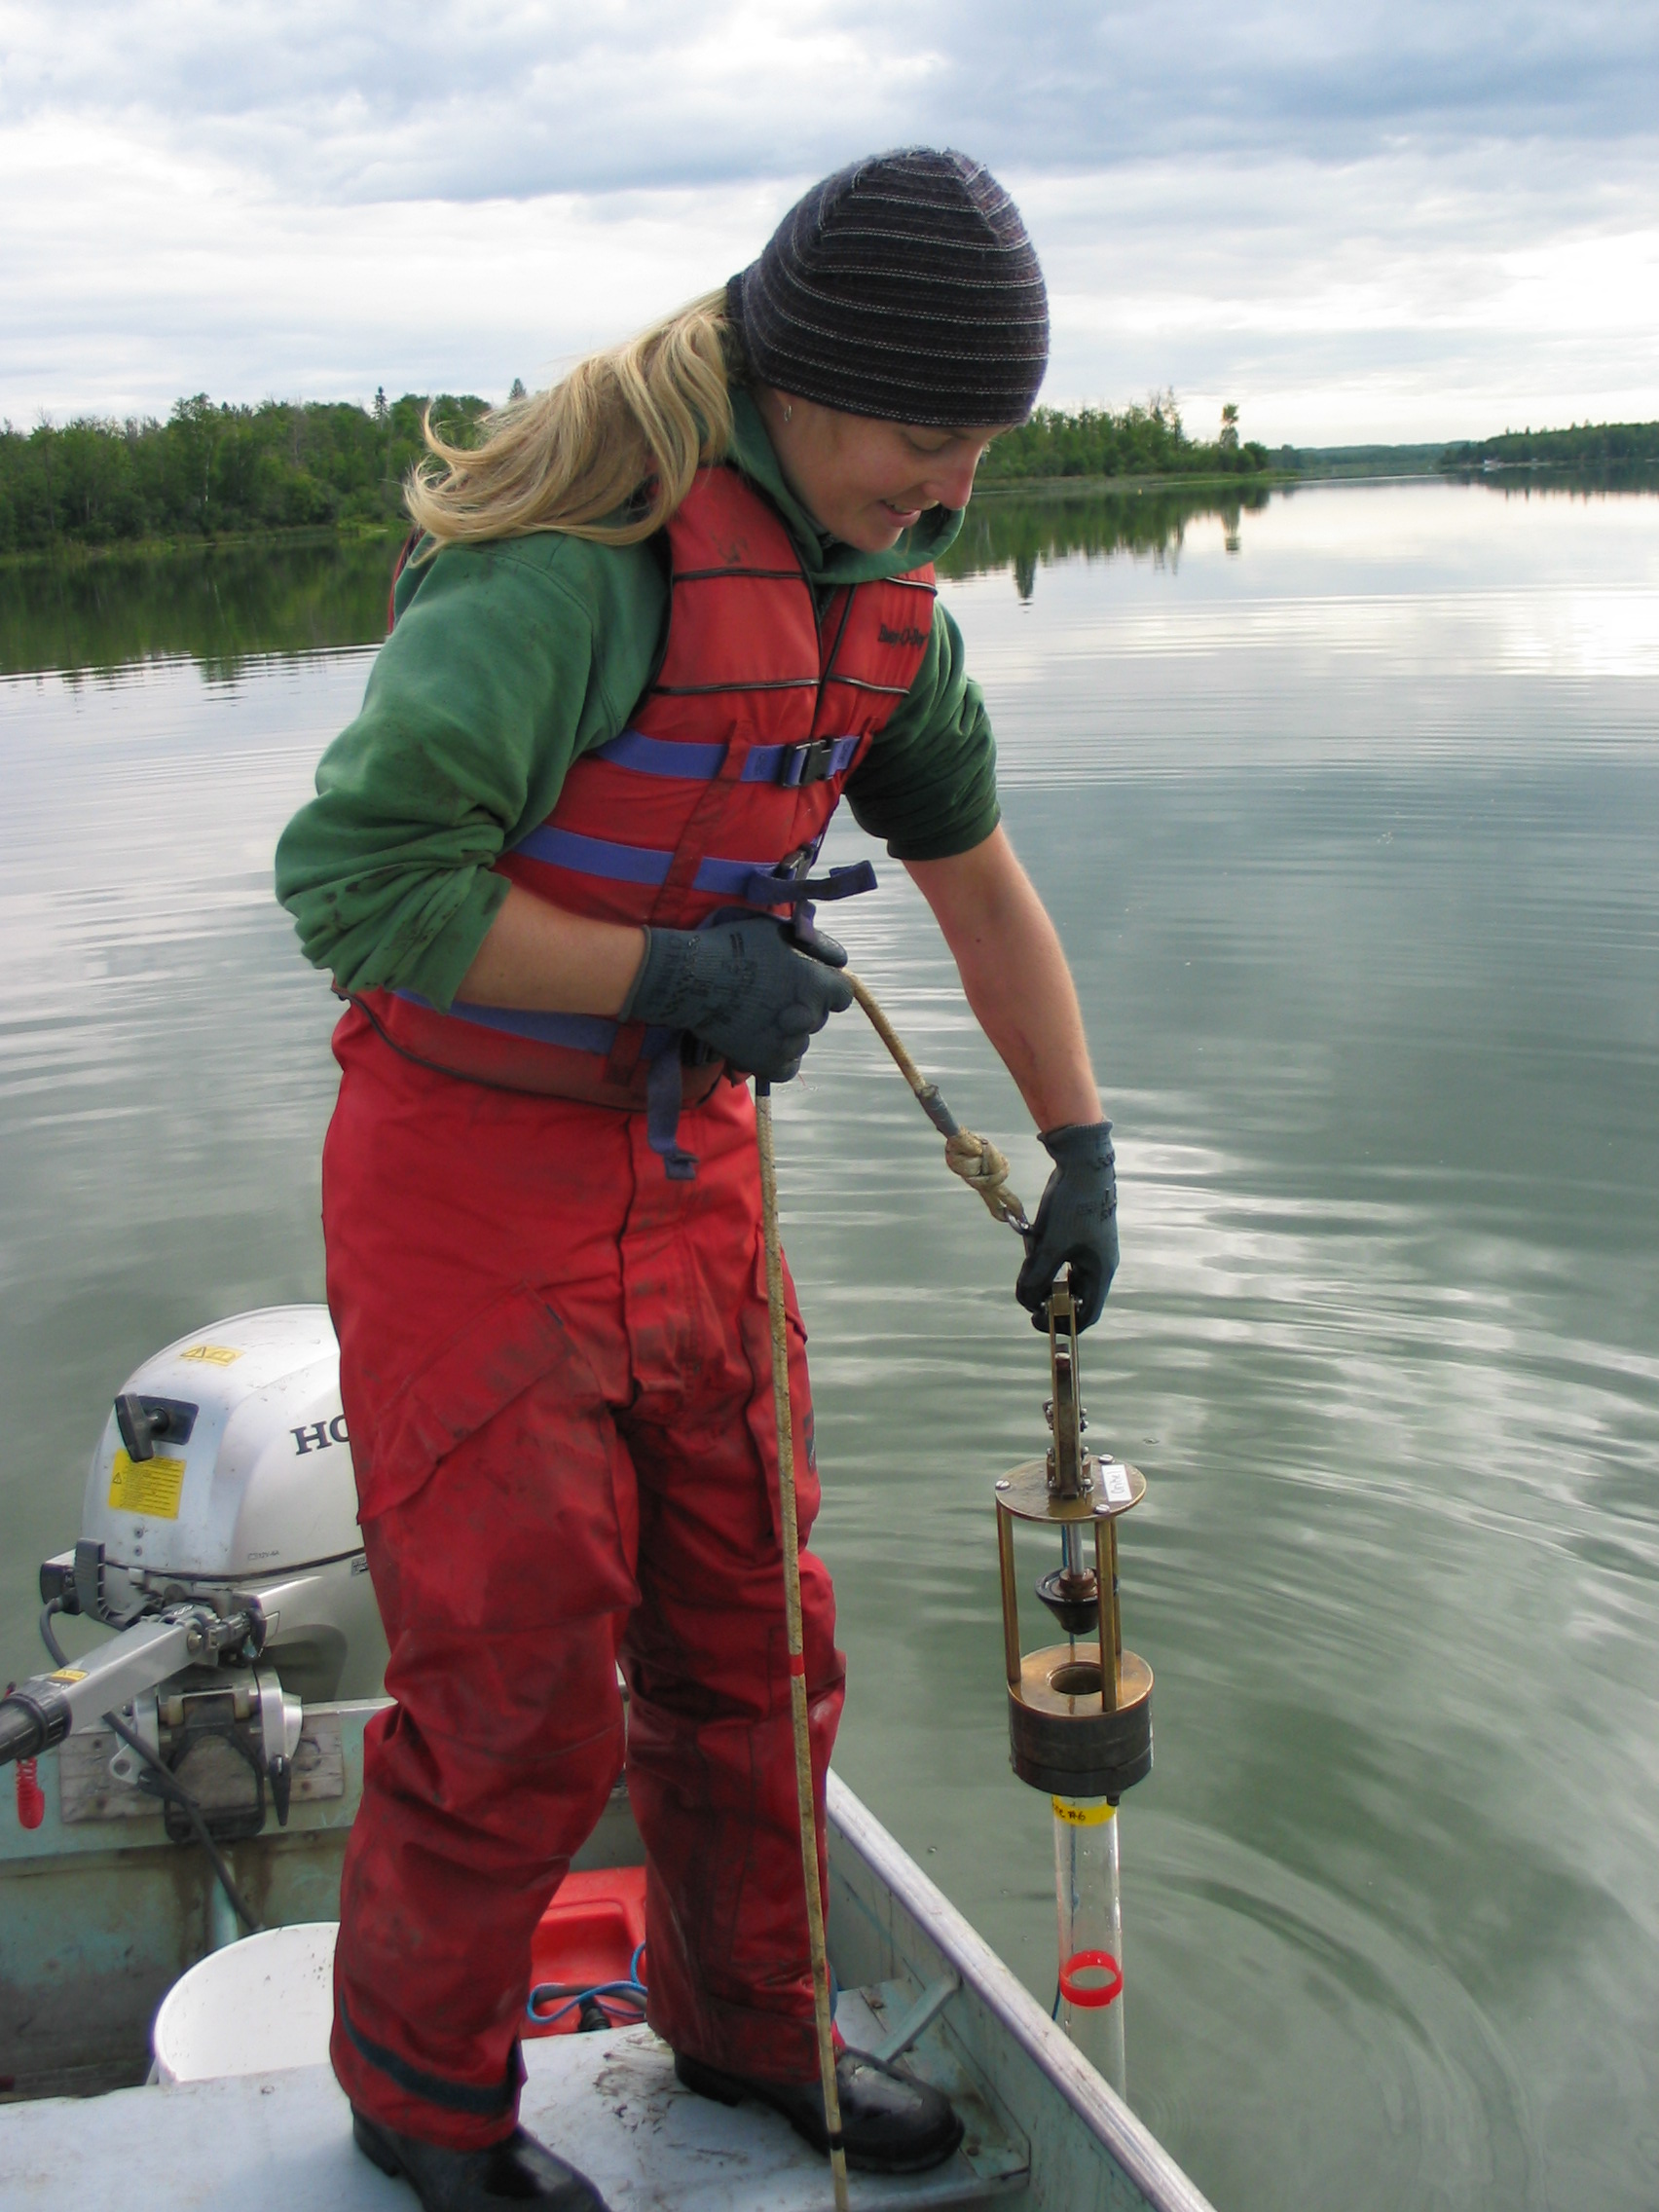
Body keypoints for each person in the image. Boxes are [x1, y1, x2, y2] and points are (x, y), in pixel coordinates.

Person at [275, 147, 1119, 2212]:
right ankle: (423, 2097)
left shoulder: (881, 601)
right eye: (924, 440)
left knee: (759, 1633)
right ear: (800, 385)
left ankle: (747, 2016)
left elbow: (974, 871)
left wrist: (1084, 1136)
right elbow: (356, 888)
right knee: (519, 1678)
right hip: (472, 1175)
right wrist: (671, 968)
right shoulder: (582, 563)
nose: (948, 493)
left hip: (695, 1184)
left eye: (981, 455)